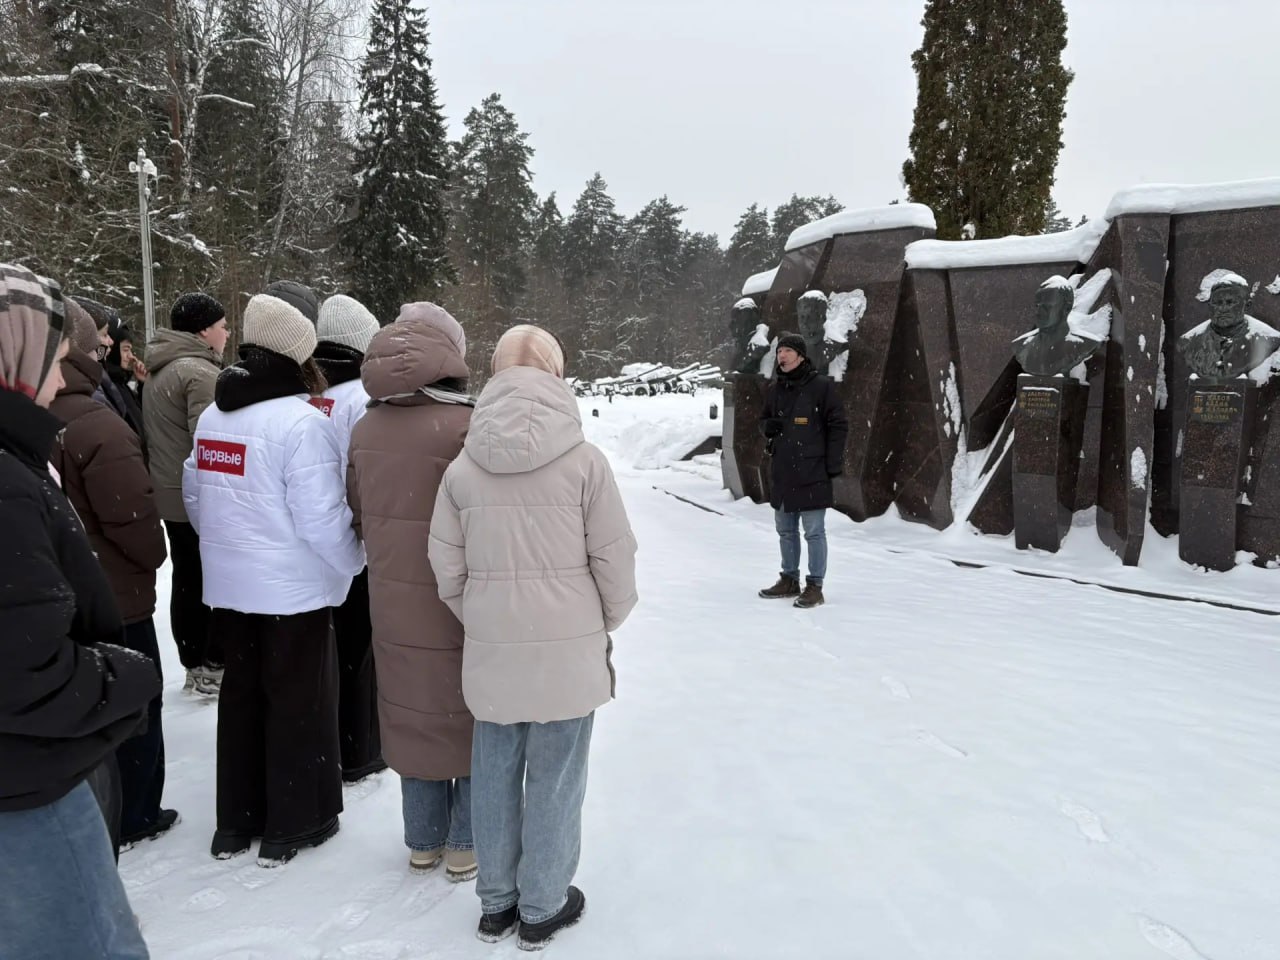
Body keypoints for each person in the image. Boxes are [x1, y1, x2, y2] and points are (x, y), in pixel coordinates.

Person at [429, 324, 638, 950]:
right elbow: (615, 560)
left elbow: (446, 566)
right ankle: (543, 903)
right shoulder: (585, 461)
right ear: (556, 375)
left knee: (493, 770)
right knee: (557, 775)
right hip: (568, 650)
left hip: (493, 647)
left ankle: (497, 903)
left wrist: (486, 619)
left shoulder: (463, 468)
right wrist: (602, 620)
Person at [0, 263, 160, 960]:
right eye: (52, 353)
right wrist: (127, 678)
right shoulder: (8, 482)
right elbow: (25, 669)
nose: (60, 373)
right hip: (27, 787)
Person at [183, 294, 365, 866]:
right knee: (297, 701)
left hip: (230, 586)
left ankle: (235, 823)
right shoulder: (299, 422)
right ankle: (293, 822)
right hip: (291, 589)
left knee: (240, 699)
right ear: (296, 354)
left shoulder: (215, 415)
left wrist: (227, 545)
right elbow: (321, 518)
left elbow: (196, 493)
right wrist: (352, 561)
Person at [348, 302, 476, 881]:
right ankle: (467, 841)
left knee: (409, 708)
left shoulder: (366, 426)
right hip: (456, 595)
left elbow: (357, 509)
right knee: (469, 712)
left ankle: (423, 838)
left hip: (391, 597)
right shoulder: (465, 426)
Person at [49, 300, 177, 850]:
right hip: (115, 596)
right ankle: (136, 811)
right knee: (135, 704)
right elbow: (133, 517)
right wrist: (151, 557)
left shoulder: (45, 417)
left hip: (64, 599)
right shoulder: (96, 424)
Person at [315, 294, 385, 783]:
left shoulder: (309, 392)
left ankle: (333, 741)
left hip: (314, 535)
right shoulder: (362, 398)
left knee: (332, 646)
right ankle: (359, 747)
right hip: (354, 536)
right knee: (361, 647)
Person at [144, 293, 227, 695]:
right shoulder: (199, 373)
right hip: (195, 494)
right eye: (222, 325)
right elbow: (209, 442)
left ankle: (193, 660)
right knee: (209, 579)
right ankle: (213, 662)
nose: (227, 333)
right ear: (203, 330)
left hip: (168, 489)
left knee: (186, 577)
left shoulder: (162, 369)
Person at [757, 332, 849, 609]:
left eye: (786, 351)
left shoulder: (821, 386)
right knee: (785, 530)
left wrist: (832, 464)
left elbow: (838, 425)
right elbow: (763, 420)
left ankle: (815, 585)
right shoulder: (776, 388)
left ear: (800, 355)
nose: (781, 356)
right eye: (779, 351)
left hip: (813, 470)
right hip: (784, 470)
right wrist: (767, 428)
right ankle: (789, 579)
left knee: (813, 531)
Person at [75, 296, 146, 443]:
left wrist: (142, 385)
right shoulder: (98, 383)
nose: (110, 342)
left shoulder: (114, 383)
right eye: (125, 349)